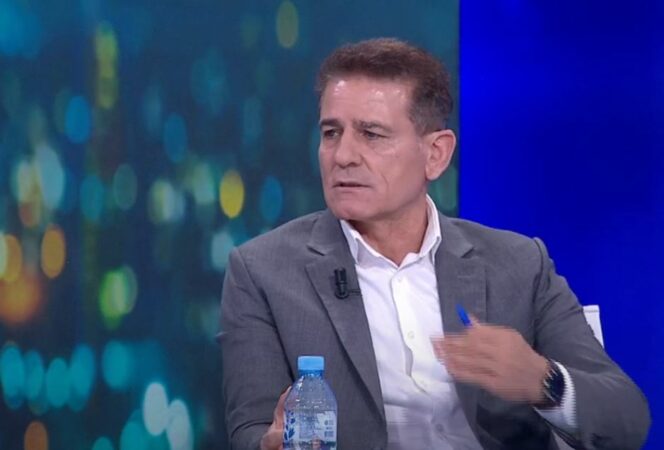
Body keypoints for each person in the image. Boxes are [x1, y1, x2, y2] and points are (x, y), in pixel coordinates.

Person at [219, 38, 650, 450]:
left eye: (371, 134)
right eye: (331, 133)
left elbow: (627, 420)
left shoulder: (520, 264)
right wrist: (272, 442)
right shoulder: (263, 272)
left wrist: (543, 380)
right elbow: (251, 431)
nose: (343, 155)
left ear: (436, 154)